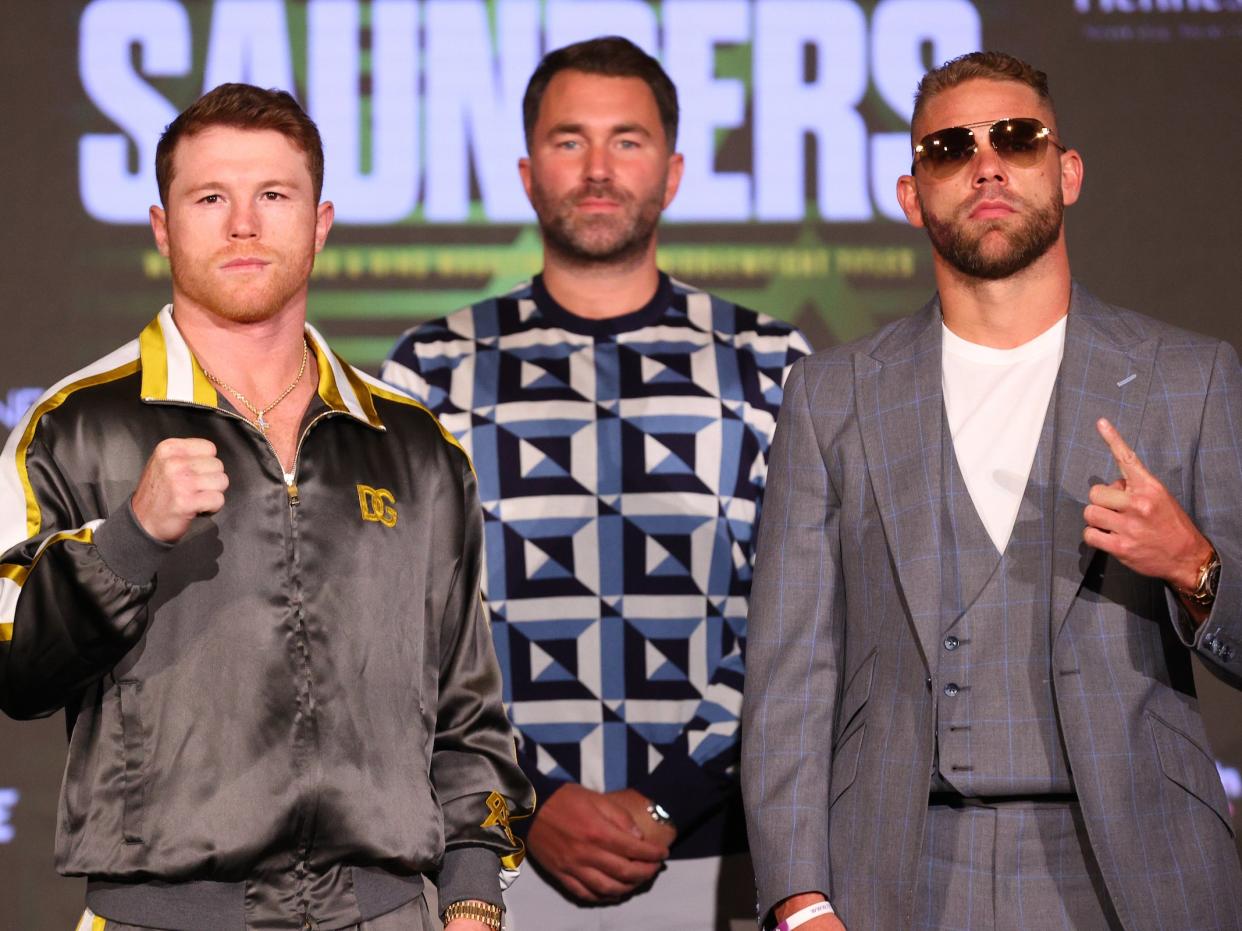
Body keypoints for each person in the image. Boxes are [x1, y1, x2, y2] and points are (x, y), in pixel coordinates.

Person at [0, 83, 531, 931]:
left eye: (272, 195)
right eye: (211, 197)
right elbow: (12, 668)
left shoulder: (415, 445)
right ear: (162, 226)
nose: (243, 223)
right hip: (161, 918)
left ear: (319, 223)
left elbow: (467, 709)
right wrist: (128, 540)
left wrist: (472, 893)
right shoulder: (72, 425)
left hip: (388, 913)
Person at [742, 50, 1242, 931]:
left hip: (1137, 870)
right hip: (898, 872)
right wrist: (798, 897)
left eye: (1016, 138)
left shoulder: (1187, 379)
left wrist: (1194, 567)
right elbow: (792, 674)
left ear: (1068, 171)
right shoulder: (832, 396)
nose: (986, 166)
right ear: (910, 194)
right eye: (949, 150)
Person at [384, 36, 810, 930]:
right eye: (568, 140)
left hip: (727, 856)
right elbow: (402, 626)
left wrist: (666, 802)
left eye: (629, 139)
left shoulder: (772, 364)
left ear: (675, 168)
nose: (599, 168)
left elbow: (800, 619)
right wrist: (529, 800)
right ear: (527, 170)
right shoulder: (431, 369)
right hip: (491, 860)